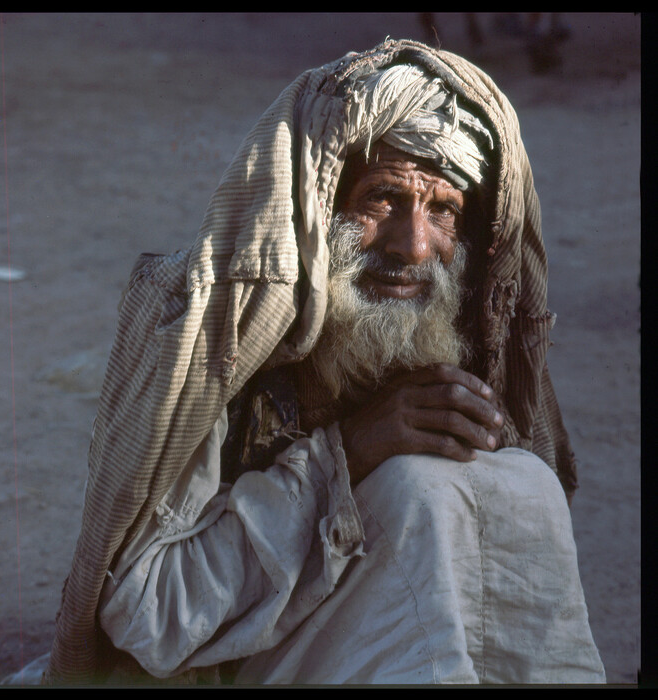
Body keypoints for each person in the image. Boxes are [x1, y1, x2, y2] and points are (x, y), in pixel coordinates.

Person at [31, 39, 604, 686]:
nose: (412, 247)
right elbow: (147, 616)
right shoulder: (214, 334)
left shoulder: (452, 327)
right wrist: (348, 456)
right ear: (315, 206)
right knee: (416, 491)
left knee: (518, 483)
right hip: (226, 665)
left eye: (441, 209)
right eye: (382, 198)